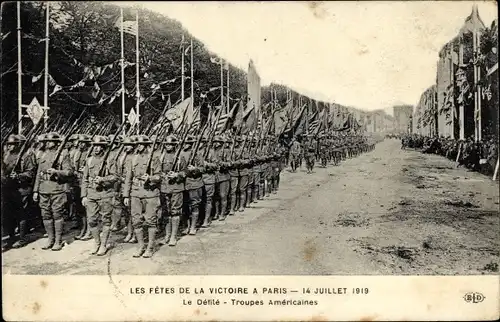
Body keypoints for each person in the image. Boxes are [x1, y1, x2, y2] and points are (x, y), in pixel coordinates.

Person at [33, 132, 73, 251]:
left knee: (57, 215)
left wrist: (56, 172)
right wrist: (35, 190)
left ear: (56, 143)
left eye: (50, 141)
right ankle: (50, 239)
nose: (47, 143)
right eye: (47, 142)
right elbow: (38, 174)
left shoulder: (62, 155)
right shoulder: (43, 155)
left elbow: (69, 172)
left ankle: (58, 240)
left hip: (57, 189)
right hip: (43, 189)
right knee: (45, 215)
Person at [123, 135, 162, 258]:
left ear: (146, 145)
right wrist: (126, 195)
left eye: (140, 144)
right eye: (137, 144)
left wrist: (150, 178)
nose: (138, 146)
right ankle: (141, 246)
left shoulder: (155, 158)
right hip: (135, 192)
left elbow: (159, 176)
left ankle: (150, 247)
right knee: (136, 221)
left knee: (151, 221)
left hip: (150, 193)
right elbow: (128, 178)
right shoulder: (133, 159)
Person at [80, 135, 119, 256]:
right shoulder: (89, 160)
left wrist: (103, 179)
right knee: (91, 220)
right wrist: (84, 195)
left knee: (106, 220)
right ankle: (96, 242)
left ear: (103, 147)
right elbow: (85, 179)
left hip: (105, 193)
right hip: (91, 194)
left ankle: (103, 244)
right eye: (95, 146)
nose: (97, 148)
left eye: (99, 146)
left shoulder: (110, 160)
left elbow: (115, 176)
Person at [1, 134, 36, 250]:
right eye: (9, 144)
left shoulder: (25, 157)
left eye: (13, 145)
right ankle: (11, 238)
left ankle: (22, 238)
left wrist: (19, 176)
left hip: (22, 189)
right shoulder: (6, 156)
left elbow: (30, 173)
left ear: (18, 145)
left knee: (21, 214)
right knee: (9, 215)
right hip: (9, 190)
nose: (10, 147)